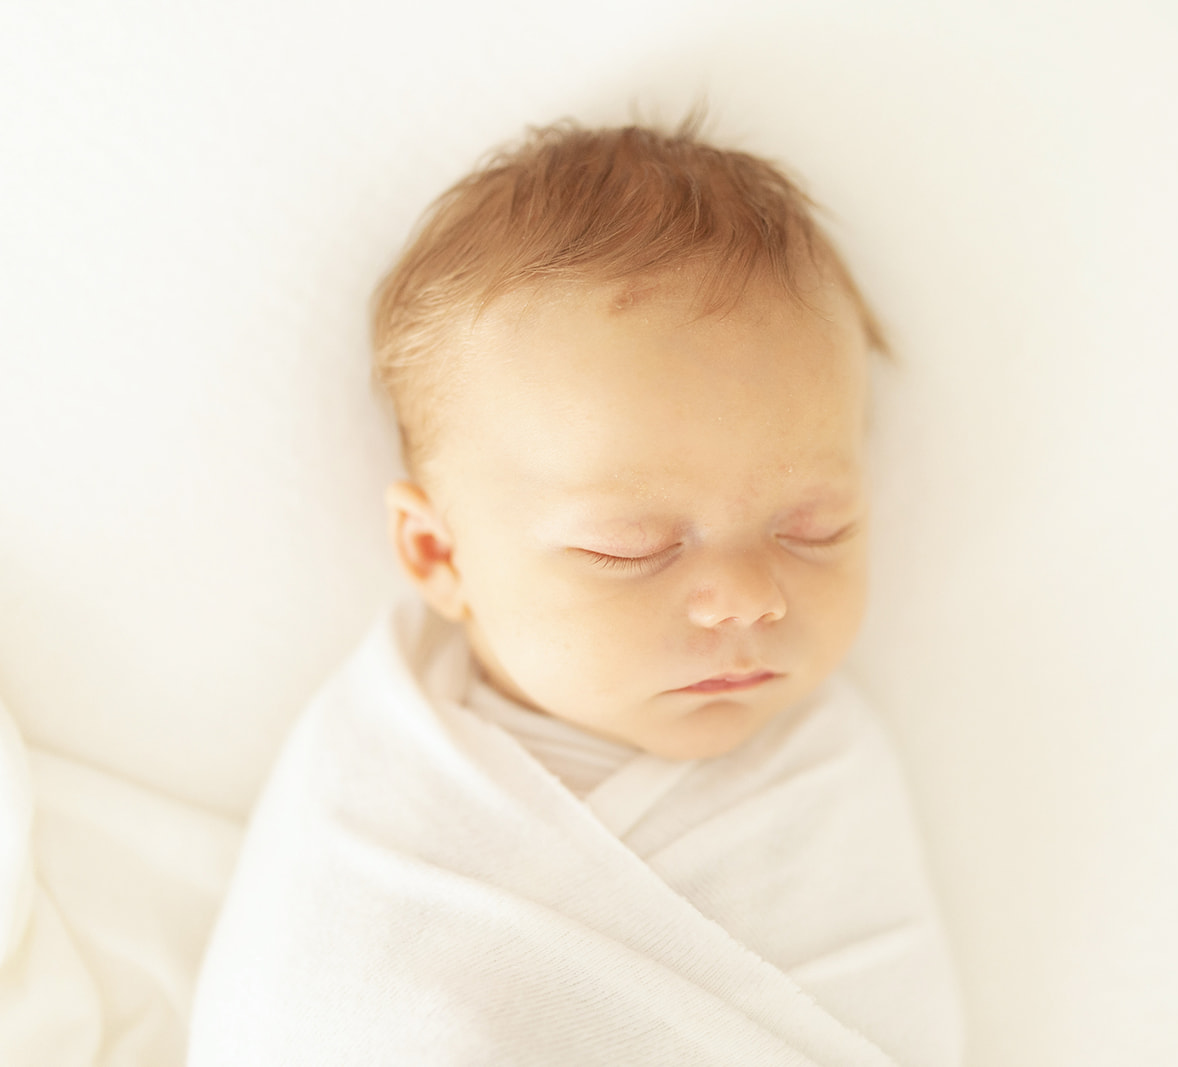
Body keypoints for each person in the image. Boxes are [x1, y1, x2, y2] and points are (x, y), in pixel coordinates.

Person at [188, 117, 964, 1066]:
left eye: (815, 530)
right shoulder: (384, 793)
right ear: (439, 554)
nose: (746, 597)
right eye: (631, 546)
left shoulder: (825, 773)